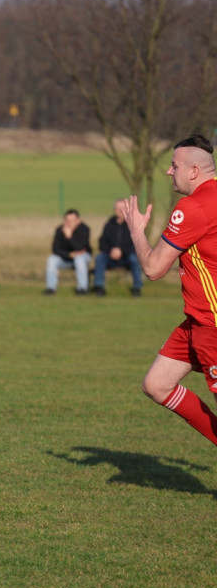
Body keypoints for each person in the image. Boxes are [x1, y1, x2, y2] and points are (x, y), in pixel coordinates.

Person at [124, 134, 217, 448]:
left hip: (212, 326)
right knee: (157, 384)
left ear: (193, 171)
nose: (168, 171)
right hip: (195, 323)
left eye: (174, 165)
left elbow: (152, 269)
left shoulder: (193, 207)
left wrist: (137, 231)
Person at [93, 199, 143, 297]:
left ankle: (137, 288)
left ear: (127, 209)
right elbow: (102, 242)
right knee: (99, 258)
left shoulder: (133, 225)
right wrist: (111, 251)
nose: (120, 211)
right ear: (114, 210)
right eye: (118, 208)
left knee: (134, 259)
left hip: (127, 257)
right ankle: (99, 287)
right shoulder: (109, 224)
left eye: (122, 208)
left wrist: (122, 251)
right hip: (110, 257)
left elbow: (136, 244)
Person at [44, 208, 93, 295]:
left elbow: (79, 248)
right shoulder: (60, 230)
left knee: (79, 259)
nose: (69, 223)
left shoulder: (85, 229)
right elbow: (55, 249)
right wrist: (69, 254)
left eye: (72, 220)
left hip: (83, 257)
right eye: (67, 220)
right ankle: (51, 288)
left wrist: (69, 237)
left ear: (78, 221)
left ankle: (82, 288)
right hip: (66, 257)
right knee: (51, 259)